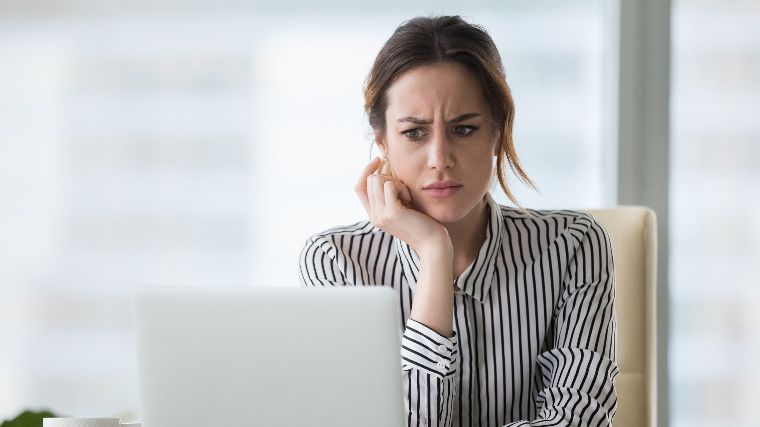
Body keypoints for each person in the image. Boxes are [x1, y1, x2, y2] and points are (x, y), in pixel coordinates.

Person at [298, 15, 618, 427]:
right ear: (382, 142)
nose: (440, 159)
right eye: (414, 133)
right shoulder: (335, 262)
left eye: (464, 129)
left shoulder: (574, 244)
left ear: (497, 134)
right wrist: (434, 256)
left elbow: (577, 421)